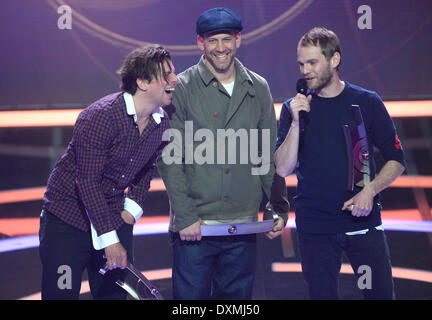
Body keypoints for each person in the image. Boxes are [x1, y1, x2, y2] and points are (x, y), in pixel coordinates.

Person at [157, 7, 288, 300]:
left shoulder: (259, 87)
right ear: (200, 43)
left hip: (242, 226)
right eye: (212, 40)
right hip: (196, 228)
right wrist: (186, 217)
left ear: (238, 40)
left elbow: (266, 154)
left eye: (226, 39)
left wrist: (277, 206)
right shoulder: (182, 88)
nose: (220, 48)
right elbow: (169, 159)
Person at [275, 27, 406, 299]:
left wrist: (370, 191)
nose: (306, 70)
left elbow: (396, 160)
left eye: (312, 62)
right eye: (301, 64)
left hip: (363, 222)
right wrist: (297, 122)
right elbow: (282, 168)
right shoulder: (292, 109)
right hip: (316, 227)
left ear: (334, 60)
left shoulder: (367, 102)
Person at [39, 45, 179, 299]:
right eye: (166, 75)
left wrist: (130, 212)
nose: (175, 80)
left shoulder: (161, 123)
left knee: (114, 296)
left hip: (114, 215)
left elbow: (145, 170)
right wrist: (110, 239)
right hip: (68, 220)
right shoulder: (101, 116)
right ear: (142, 82)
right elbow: (88, 182)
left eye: (173, 73)